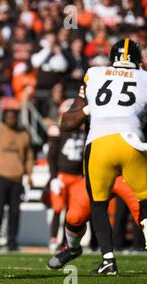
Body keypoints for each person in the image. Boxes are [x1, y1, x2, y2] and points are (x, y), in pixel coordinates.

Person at [60, 38, 147, 275]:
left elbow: (66, 122)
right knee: (146, 200)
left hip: (99, 143)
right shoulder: (144, 77)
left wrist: (90, 108)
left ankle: (108, 259)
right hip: (132, 142)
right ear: (139, 61)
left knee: (98, 205)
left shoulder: (94, 74)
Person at [47, 176, 147, 269]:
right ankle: (73, 249)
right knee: (74, 217)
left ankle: (108, 260)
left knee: (142, 213)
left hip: (128, 173)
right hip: (99, 172)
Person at [0, 105, 34, 251]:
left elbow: (29, 157)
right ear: (4, 117)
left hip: (17, 178)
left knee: (15, 212)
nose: (11, 119)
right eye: (9, 116)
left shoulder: (24, 134)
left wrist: (29, 174)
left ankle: (12, 242)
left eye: (14, 116)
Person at [47, 99, 86, 252]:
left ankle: (65, 242)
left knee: (72, 213)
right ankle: (53, 239)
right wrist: (53, 177)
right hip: (62, 176)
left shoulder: (85, 130)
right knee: (57, 209)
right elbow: (51, 155)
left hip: (77, 177)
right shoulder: (58, 130)